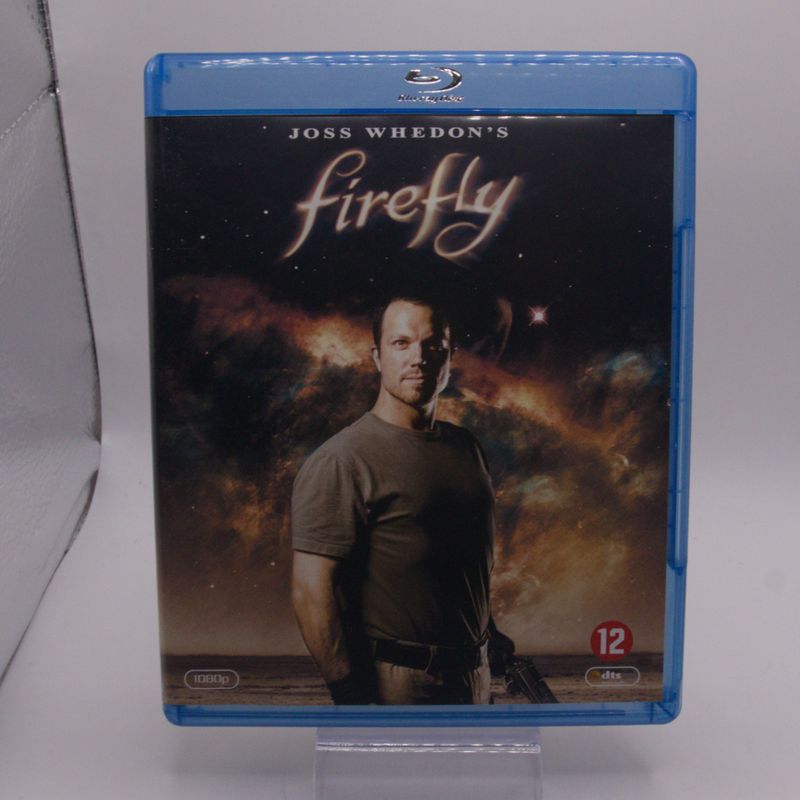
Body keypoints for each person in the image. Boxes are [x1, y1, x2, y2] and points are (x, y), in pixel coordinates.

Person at [291, 294, 514, 705]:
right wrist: (349, 695)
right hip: (399, 685)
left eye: (433, 346)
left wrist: (489, 632)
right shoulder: (342, 460)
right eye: (401, 343)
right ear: (377, 357)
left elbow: (457, 564)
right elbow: (310, 591)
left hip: (474, 678)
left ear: (450, 356)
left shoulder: (466, 448)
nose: (419, 358)